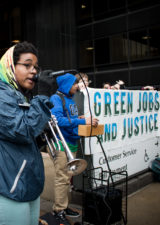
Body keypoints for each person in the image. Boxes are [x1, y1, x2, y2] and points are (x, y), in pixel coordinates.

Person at [0, 42, 52, 225]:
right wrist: (42, 96)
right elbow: (23, 131)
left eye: (35, 66)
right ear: (10, 66)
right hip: (6, 181)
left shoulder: (19, 95)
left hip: (22, 179)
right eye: (27, 65)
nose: (34, 71)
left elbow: (28, 135)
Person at [49, 74, 99, 225]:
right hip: (60, 143)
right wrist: (82, 120)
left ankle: (64, 206)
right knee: (62, 178)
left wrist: (81, 117)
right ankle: (58, 210)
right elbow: (58, 120)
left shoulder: (69, 99)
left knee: (68, 178)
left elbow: (69, 117)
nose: (77, 87)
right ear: (65, 85)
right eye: (74, 84)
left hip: (71, 142)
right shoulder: (55, 98)